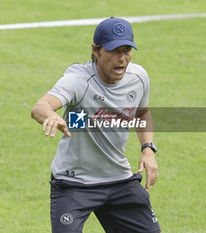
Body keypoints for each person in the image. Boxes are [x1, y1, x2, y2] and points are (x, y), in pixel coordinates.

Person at [31, 17, 161, 233]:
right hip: (74, 185)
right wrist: (50, 116)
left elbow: (143, 112)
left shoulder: (138, 77)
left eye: (127, 50)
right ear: (96, 50)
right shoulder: (79, 81)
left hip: (119, 180)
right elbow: (40, 107)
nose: (122, 59)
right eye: (114, 51)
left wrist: (148, 149)